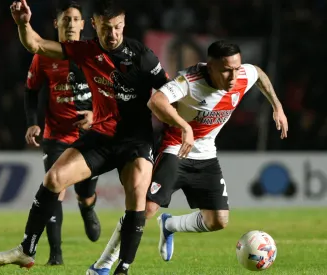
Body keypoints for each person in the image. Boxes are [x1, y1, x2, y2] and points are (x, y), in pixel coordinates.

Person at [0, 0, 169, 274]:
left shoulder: (141, 55)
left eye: (118, 27)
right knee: (54, 179)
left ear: (124, 24)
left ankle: (123, 268)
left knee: (136, 197)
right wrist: (23, 24)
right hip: (101, 137)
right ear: (94, 25)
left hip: (135, 141)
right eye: (107, 28)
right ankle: (27, 250)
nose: (113, 34)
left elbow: (169, 90)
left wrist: (180, 125)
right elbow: (36, 45)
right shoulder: (85, 50)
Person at [86, 41, 288, 274]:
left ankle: (170, 224)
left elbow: (259, 74)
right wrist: (184, 126)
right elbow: (156, 101)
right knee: (146, 209)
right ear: (210, 66)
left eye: (236, 68)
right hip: (175, 149)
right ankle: (102, 265)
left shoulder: (242, 75)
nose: (233, 76)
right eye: (226, 70)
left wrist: (277, 106)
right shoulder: (189, 82)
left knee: (218, 221)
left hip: (206, 153)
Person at [24, 2, 101, 266]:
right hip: (55, 134)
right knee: (54, 188)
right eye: (65, 19)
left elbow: (110, 92)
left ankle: (87, 205)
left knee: (85, 190)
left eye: (76, 19)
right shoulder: (44, 55)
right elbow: (31, 91)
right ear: (57, 24)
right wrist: (32, 123)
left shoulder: (94, 54)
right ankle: (55, 255)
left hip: (91, 135)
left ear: (83, 24)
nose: (70, 24)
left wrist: (94, 115)